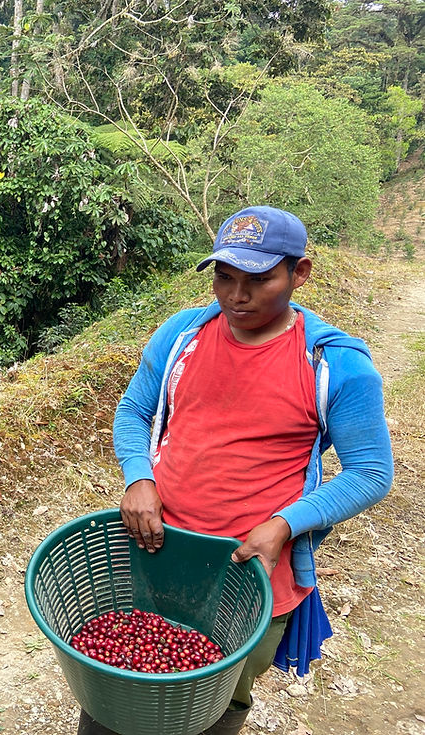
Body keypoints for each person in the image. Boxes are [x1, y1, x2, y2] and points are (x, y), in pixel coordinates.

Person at [80, 206, 393, 735]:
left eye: (259, 280)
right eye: (225, 277)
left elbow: (369, 472)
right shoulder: (184, 333)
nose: (236, 296)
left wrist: (285, 526)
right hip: (161, 547)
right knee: (123, 683)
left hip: (249, 570)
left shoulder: (334, 364)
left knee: (212, 704)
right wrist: (138, 477)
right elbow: (134, 410)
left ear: (300, 273)